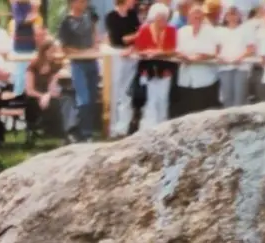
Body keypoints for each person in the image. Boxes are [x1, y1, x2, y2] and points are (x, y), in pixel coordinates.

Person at [57, 0, 100, 141]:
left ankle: (88, 131)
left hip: (92, 62)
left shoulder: (89, 16)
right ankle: (82, 132)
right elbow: (64, 46)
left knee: (92, 97)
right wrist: (82, 52)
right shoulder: (66, 22)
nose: (84, 3)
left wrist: (95, 46)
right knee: (83, 98)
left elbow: (94, 34)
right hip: (78, 63)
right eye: (81, 1)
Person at [132, 2, 177, 129]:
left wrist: (158, 52)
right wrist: (148, 52)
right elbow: (138, 49)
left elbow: (172, 50)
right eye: (159, 18)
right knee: (150, 100)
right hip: (148, 69)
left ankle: (163, 126)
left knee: (163, 99)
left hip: (165, 70)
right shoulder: (144, 29)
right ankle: (149, 128)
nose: (162, 20)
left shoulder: (171, 30)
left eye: (164, 18)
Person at [174, 1, 219, 115]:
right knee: (187, 112)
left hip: (205, 80)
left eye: (199, 14)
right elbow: (177, 51)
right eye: (194, 14)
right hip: (186, 80)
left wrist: (195, 58)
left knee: (204, 113)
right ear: (189, 16)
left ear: (203, 16)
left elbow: (213, 52)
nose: (196, 17)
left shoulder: (210, 31)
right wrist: (183, 56)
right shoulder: (182, 32)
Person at [104, 0, 140, 136]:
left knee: (126, 92)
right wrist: (135, 36)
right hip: (117, 54)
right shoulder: (111, 16)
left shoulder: (132, 14)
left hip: (132, 54)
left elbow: (136, 33)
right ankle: (112, 127)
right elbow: (119, 38)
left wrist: (132, 45)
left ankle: (123, 127)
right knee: (115, 91)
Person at [23, 38, 65, 143]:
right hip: (34, 95)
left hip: (50, 95)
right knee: (31, 102)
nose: (53, 53)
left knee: (56, 102)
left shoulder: (56, 66)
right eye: (51, 51)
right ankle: (38, 127)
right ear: (44, 51)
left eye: (54, 51)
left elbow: (54, 86)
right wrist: (42, 96)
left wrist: (48, 95)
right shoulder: (33, 67)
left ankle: (53, 130)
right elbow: (29, 90)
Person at [215, 4, 251, 107]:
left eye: (235, 14)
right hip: (224, 67)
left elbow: (251, 48)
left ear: (239, 16)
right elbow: (216, 50)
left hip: (241, 67)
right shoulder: (219, 31)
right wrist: (219, 57)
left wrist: (239, 58)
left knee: (239, 98)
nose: (232, 17)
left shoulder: (245, 30)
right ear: (225, 17)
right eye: (230, 14)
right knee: (227, 98)